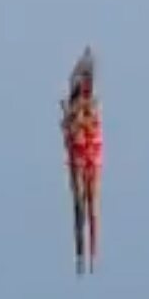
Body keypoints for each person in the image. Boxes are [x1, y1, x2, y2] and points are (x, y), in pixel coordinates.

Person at [61, 50, 102, 274]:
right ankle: (81, 255)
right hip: (79, 154)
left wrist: (77, 118)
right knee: (80, 205)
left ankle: (91, 257)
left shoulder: (90, 106)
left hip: (89, 153)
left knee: (91, 206)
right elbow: (71, 127)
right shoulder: (76, 108)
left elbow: (86, 124)